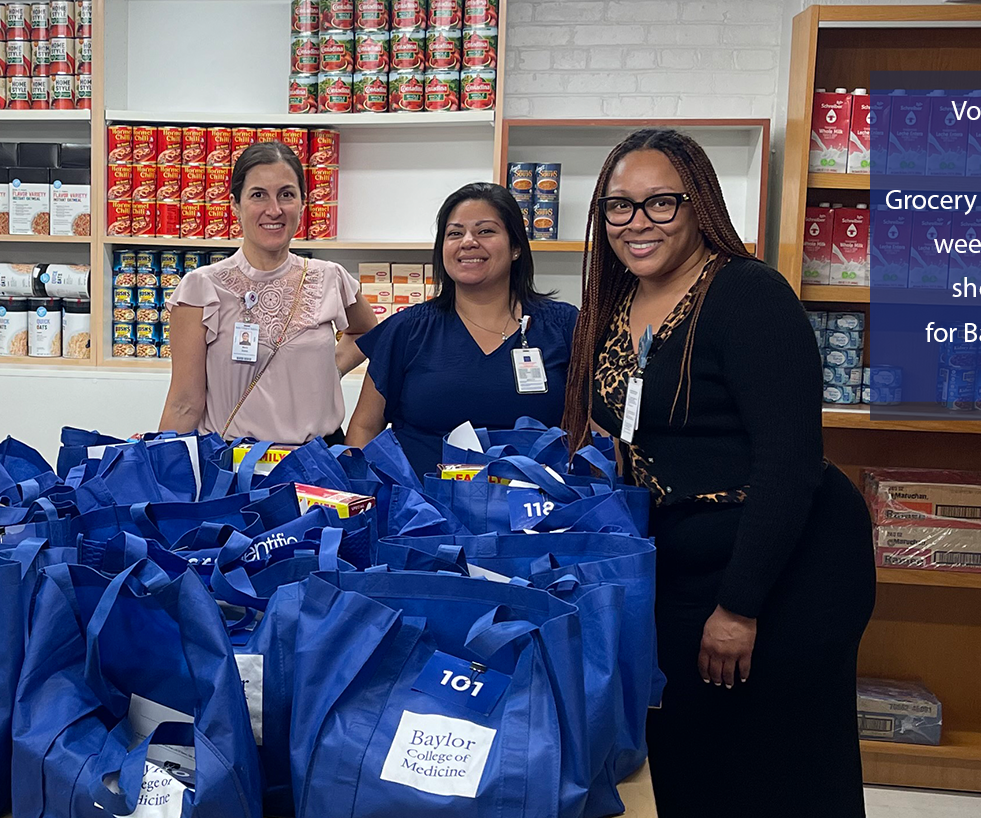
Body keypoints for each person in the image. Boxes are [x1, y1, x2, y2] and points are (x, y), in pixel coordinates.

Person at [560, 129, 874, 816]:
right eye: (619, 206)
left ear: (699, 204)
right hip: (686, 554)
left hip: (782, 563)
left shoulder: (748, 294)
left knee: (777, 765)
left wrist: (740, 607)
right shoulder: (618, 304)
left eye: (660, 203)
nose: (636, 223)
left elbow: (788, 465)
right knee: (690, 750)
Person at [345, 182, 576, 472]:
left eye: (485, 231)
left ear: (516, 246)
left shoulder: (563, 326)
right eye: (455, 233)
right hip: (423, 509)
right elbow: (364, 428)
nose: (468, 242)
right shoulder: (407, 330)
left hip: (537, 510)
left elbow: (591, 429)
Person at [159, 141, 378, 444]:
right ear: (235, 204)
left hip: (319, 466)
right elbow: (184, 404)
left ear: (302, 203)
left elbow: (368, 332)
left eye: (286, 195)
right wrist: (164, 474)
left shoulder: (330, 277)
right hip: (235, 470)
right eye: (258, 195)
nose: (274, 210)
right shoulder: (201, 289)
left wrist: (330, 367)